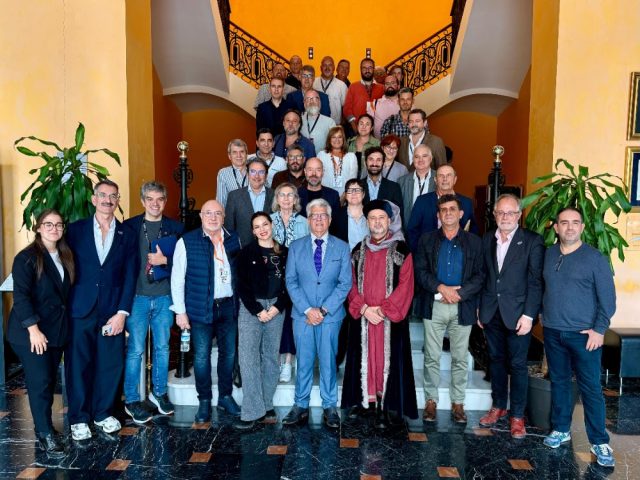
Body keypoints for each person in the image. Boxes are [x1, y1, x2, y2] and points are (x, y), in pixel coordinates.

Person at [541, 207, 616, 468]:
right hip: (553, 332)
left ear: (582, 227)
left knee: (591, 388)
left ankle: (599, 441)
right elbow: (543, 287)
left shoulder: (595, 258)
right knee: (560, 382)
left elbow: (608, 300)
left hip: (585, 336)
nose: (570, 227)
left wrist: (599, 329)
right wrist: (542, 315)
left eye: (575, 222)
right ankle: (561, 429)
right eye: (564, 223)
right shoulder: (549, 254)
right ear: (556, 228)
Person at [65, 180, 137, 440]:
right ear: (94, 199)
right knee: (78, 365)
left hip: (112, 312)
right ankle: (78, 418)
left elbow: (130, 275)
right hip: (80, 308)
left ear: (118, 200)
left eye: (113, 196)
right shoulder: (75, 230)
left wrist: (122, 312)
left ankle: (103, 413)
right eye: (103, 195)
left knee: (110, 363)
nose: (108, 200)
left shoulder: (127, 233)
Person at [342, 200, 417, 428]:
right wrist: (363, 308)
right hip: (364, 318)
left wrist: (383, 310)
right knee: (363, 359)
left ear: (389, 220)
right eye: (372, 218)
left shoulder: (402, 250)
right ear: (367, 222)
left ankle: (389, 406)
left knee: (389, 360)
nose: (377, 222)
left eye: (381, 218)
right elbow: (349, 283)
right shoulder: (358, 250)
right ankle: (365, 403)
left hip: (389, 320)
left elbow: (406, 285)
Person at [7, 209, 74, 456]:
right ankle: (45, 434)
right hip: (31, 333)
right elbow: (21, 297)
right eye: (48, 224)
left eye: (58, 224)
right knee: (40, 384)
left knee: (48, 381)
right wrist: (33, 330)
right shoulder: (26, 258)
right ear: (38, 228)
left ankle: (45, 427)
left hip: (55, 330)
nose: (54, 229)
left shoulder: (64, 254)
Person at [477, 194, 544, 438]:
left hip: (518, 315)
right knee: (495, 360)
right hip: (491, 311)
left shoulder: (532, 241)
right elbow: (483, 275)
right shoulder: (487, 239)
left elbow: (535, 282)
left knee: (517, 365)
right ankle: (498, 406)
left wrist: (529, 315)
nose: (505, 217)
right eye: (500, 212)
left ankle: (517, 416)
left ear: (519, 215)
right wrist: (480, 308)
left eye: (510, 213)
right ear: (495, 215)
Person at [282, 199, 352, 429]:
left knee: (328, 362)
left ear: (330, 220)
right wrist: (307, 309)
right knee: (303, 361)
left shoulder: (342, 247)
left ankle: (330, 406)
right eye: (314, 215)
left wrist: (322, 310)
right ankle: (300, 405)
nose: (319, 219)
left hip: (330, 316)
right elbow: (291, 281)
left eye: (323, 215)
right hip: (302, 315)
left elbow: (345, 283)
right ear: (308, 220)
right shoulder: (296, 247)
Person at [414, 194, 484, 424]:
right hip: (434, 304)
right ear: (438, 215)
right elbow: (420, 271)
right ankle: (431, 401)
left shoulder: (474, 242)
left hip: (462, 306)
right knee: (431, 356)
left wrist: (459, 294)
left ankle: (458, 403)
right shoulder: (426, 240)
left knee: (460, 357)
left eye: (452, 209)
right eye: (443, 210)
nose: (448, 213)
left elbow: (480, 275)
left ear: (461, 214)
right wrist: (442, 288)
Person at [171, 200, 242, 422]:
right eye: (208, 213)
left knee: (228, 354)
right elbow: (177, 279)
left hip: (228, 306)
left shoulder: (234, 239)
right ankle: (204, 400)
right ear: (201, 216)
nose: (213, 217)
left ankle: (225, 396)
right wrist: (180, 311)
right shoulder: (187, 241)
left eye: (217, 213)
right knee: (201, 357)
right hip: (200, 308)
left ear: (223, 217)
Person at [123, 182, 184, 424]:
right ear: (143, 201)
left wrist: (165, 261)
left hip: (164, 297)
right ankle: (131, 399)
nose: (155, 204)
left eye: (159, 199)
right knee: (135, 350)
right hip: (136, 297)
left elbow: (183, 264)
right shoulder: (129, 227)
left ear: (165, 201)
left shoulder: (176, 228)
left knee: (162, 348)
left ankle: (159, 393)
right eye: (150, 199)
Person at [234, 213, 290, 430]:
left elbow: (290, 284)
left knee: (270, 358)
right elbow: (241, 286)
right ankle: (251, 411)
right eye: (257, 227)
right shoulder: (245, 253)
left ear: (272, 225)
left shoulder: (285, 252)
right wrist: (258, 310)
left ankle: (266, 404)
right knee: (248, 358)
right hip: (251, 309)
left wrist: (276, 307)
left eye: (265, 224)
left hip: (276, 308)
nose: (262, 229)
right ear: (253, 231)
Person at [270, 182, 309, 382]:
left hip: (297, 278)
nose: (286, 199)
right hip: (273, 278)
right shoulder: (268, 220)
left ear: (295, 200)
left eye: (290, 195)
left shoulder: (304, 222)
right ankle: (275, 360)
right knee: (276, 319)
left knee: (290, 320)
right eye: (282, 195)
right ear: (277, 199)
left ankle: (287, 362)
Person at [407, 164, 478, 251]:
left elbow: (473, 231)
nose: (445, 179)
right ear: (435, 180)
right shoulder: (422, 201)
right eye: (441, 176)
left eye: (449, 175)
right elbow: (412, 231)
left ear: (455, 179)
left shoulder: (466, 203)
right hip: (428, 254)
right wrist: (421, 253)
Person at [224, 158, 274, 246]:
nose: (257, 176)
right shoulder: (234, 196)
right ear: (247, 174)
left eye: (261, 172)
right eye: (253, 171)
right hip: (242, 249)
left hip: (269, 248)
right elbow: (229, 228)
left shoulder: (275, 195)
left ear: (266, 175)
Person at [397, 144, 436, 228]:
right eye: (416, 157)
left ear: (430, 158)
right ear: (413, 159)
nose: (420, 160)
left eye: (424, 156)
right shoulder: (402, 181)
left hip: (432, 230)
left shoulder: (439, 178)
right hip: (409, 230)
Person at [343, 58, 384, 134]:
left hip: (376, 131)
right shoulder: (353, 87)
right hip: (356, 130)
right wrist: (355, 127)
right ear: (360, 70)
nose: (367, 70)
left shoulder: (381, 88)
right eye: (364, 68)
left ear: (374, 69)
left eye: (370, 68)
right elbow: (347, 109)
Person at [359, 146, 403, 215]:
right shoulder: (358, 186)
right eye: (371, 159)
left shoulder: (394, 187)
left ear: (383, 163)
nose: (374, 163)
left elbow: (398, 216)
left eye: (378, 160)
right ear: (365, 162)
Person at [318, 126, 358, 195]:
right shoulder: (321, 155)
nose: (337, 140)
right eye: (333, 137)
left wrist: (344, 197)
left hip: (346, 196)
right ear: (329, 139)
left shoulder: (351, 157)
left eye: (340, 137)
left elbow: (352, 181)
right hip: (325, 196)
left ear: (343, 139)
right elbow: (318, 178)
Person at [313, 56, 348, 125]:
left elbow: (345, 107)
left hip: (334, 125)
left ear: (334, 68)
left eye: (330, 65)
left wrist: (341, 125)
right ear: (320, 68)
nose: (327, 68)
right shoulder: (313, 83)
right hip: (316, 124)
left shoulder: (342, 85)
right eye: (324, 65)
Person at [300, 89, 336, 154]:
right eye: (308, 99)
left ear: (320, 102)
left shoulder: (330, 122)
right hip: (303, 157)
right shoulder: (299, 120)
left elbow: (335, 145)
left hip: (323, 158)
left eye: (315, 98)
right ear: (304, 103)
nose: (311, 101)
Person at [216, 139, 248, 208]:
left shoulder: (255, 171)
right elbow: (221, 202)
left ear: (246, 154)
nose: (239, 155)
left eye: (242, 152)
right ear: (229, 156)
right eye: (234, 152)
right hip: (232, 214)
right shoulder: (223, 173)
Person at [347, 113, 380, 178]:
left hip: (369, 178)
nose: (363, 127)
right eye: (361, 124)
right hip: (350, 178)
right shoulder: (349, 141)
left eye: (367, 124)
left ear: (371, 128)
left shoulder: (377, 144)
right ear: (357, 126)